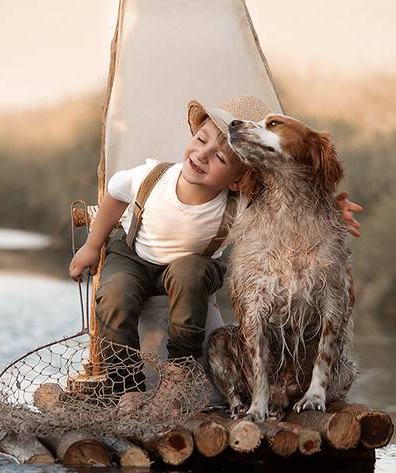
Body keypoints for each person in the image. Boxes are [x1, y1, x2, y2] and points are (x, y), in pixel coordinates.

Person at [68, 96, 362, 392]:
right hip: (134, 256)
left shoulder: (238, 205)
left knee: (190, 270)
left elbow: (291, 206)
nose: (203, 154)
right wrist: (92, 245)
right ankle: (123, 384)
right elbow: (115, 196)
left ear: (236, 181)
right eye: (200, 139)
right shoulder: (150, 177)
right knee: (115, 293)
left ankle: (179, 373)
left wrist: (334, 208)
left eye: (221, 158)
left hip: (188, 271)